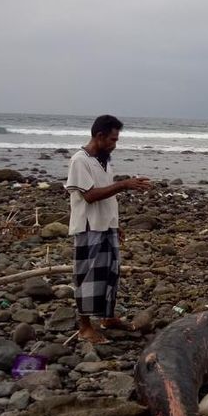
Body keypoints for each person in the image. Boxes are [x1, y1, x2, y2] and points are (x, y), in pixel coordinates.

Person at [65, 114, 152, 343]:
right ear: (99, 136)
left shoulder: (103, 160)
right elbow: (91, 195)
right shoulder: (80, 160)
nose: (114, 144)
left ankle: (107, 317)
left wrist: (116, 224)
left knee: (110, 274)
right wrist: (124, 184)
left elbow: (107, 196)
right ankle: (85, 327)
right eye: (112, 140)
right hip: (88, 227)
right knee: (88, 276)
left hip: (106, 226)